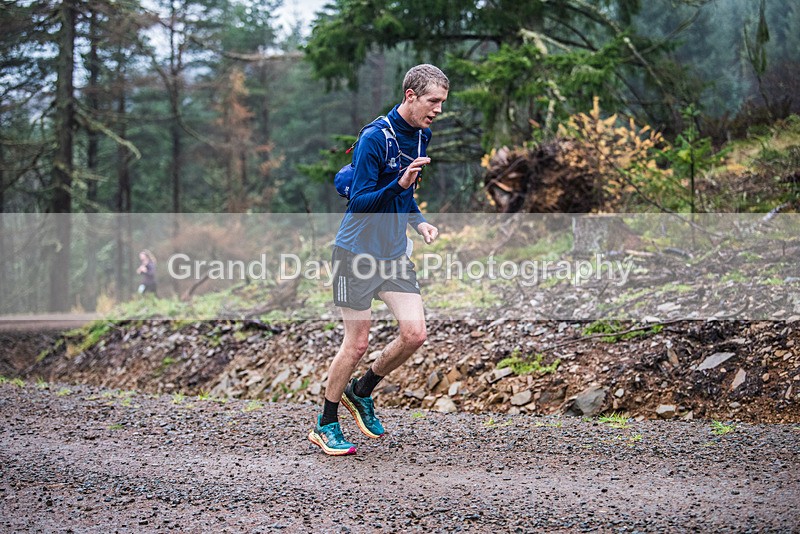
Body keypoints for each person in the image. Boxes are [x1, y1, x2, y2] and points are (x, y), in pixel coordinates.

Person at [308, 64, 448, 456]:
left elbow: (406, 194)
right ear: (410, 96)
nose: (437, 109)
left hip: (393, 254)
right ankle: (326, 423)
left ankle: (362, 390)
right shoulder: (375, 138)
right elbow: (361, 202)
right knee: (356, 345)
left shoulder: (423, 135)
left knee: (414, 334)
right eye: (432, 101)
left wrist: (419, 223)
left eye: (441, 103)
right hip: (355, 254)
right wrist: (398, 183)